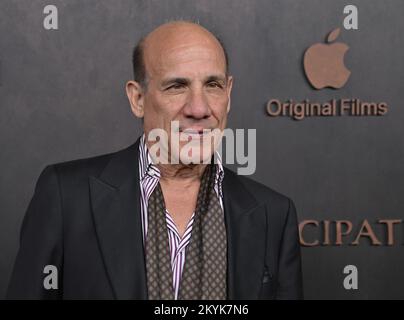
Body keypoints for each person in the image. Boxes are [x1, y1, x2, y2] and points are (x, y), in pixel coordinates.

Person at [7, 21, 303, 300]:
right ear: (137, 99)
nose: (199, 109)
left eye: (213, 85)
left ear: (228, 94)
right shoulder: (66, 197)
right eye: (177, 86)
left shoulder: (273, 214)